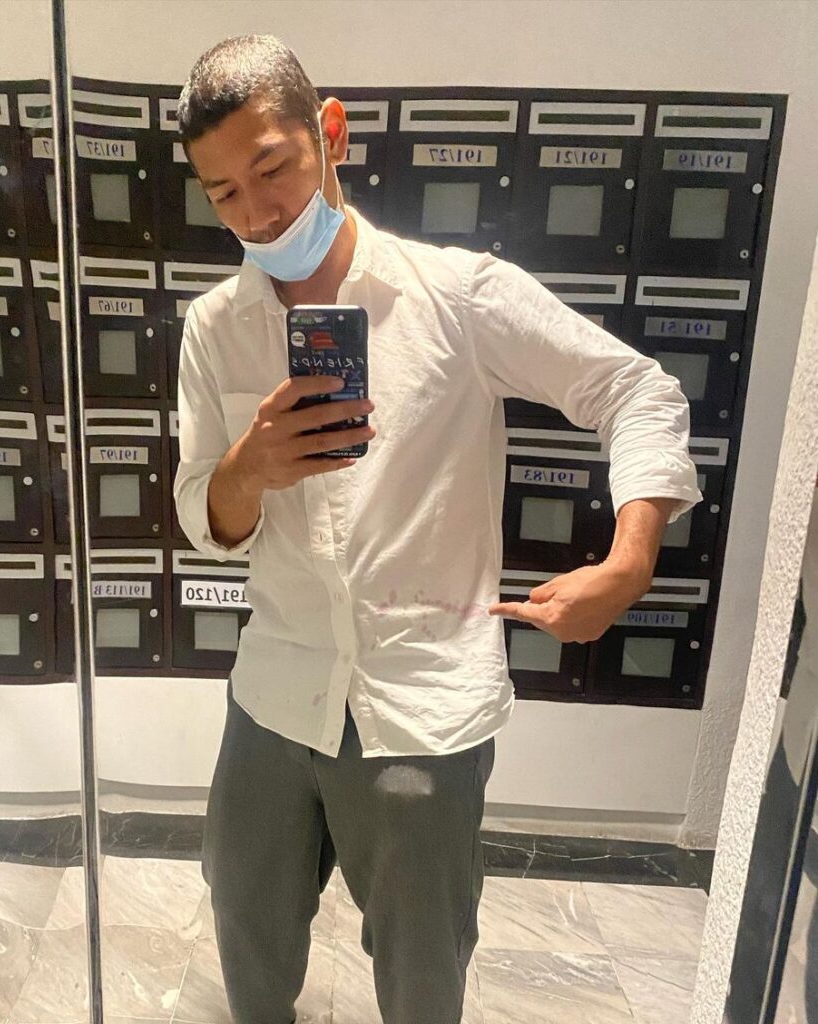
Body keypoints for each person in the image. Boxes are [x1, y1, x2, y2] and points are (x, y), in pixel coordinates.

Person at [173, 33, 702, 1024]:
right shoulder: (216, 326)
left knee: (422, 977)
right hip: (275, 690)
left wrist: (630, 559)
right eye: (224, 193)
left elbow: (635, 389)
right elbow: (202, 510)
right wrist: (250, 470)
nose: (257, 213)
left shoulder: (457, 296)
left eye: (273, 169)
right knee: (243, 928)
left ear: (330, 134)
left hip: (421, 705)